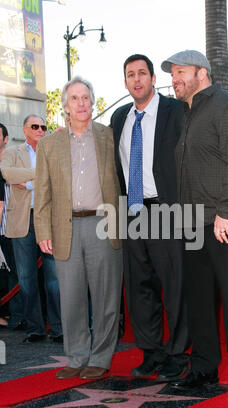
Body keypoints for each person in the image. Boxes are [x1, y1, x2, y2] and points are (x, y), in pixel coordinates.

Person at [161, 50, 228, 393]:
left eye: (180, 72)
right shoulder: (186, 113)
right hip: (194, 222)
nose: (174, 78)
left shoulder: (227, 105)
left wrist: (225, 212)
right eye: (172, 73)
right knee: (199, 299)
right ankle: (204, 369)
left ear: (201, 73)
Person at [34, 76, 123, 380]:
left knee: (105, 297)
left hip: (104, 224)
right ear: (65, 106)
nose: (81, 103)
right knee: (70, 297)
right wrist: (43, 230)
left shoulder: (109, 136)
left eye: (86, 97)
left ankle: (100, 357)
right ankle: (76, 357)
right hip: (65, 228)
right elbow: (42, 192)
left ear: (92, 102)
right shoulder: (49, 145)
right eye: (75, 98)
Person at [110, 54, 189, 381]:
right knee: (139, 286)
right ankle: (151, 352)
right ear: (126, 81)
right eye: (131, 74)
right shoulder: (119, 118)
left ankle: (177, 353)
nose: (137, 79)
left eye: (142, 73)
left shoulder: (176, 111)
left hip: (167, 209)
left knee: (175, 284)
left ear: (154, 78)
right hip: (132, 211)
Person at [0, 116, 62, 343]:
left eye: (43, 127)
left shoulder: (52, 152)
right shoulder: (13, 152)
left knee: (54, 278)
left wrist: (25, 181)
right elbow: (7, 174)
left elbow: (58, 179)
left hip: (48, 218)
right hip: (22, 220)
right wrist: (40, 176)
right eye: (35, 126)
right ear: (25, 130)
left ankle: (58, 329)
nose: (40, 130)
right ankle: (35, 329)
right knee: (26, 279)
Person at [0, 123, 25, 330]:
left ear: (6, 139)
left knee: (16, 272)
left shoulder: (14, 159)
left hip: (13, 225)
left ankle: (19, 316)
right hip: (4, 228)